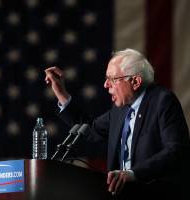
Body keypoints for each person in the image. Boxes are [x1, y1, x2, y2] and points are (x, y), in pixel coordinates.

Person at [45, 49, 190, 199]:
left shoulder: (162, 101)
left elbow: (176, 151)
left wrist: (133, 174)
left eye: (112, 79)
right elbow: (89, 128)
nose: (106, 85)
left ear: (135, 81)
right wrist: (61, 93)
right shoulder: (119, 111)